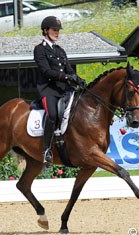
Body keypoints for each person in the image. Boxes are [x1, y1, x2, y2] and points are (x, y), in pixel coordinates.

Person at [33, 16, 85, 165]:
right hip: (48, 89)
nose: (57, 33)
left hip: (64, 89)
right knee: (52, 115)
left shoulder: (60, 50)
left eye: (58, 30)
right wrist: (65, 77)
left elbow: (68, 68)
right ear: (45, 30)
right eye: (54, 30)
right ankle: (47, 150)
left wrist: (78, 78)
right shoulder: (40, 49)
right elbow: (46, 71)